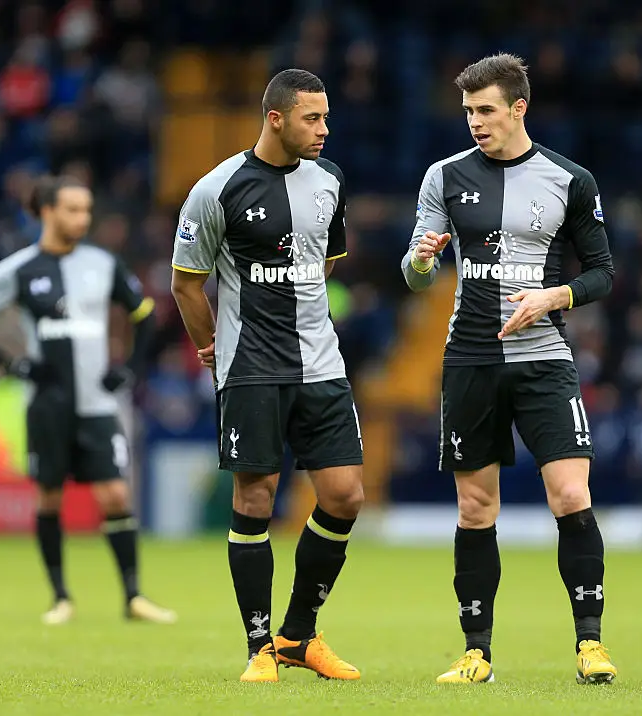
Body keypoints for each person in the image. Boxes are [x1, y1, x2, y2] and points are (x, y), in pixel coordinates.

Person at [401, 53, 617, 685]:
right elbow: (414, 279)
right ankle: (477, 653)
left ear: (519, 108)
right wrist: (421, 260)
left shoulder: (569, 180)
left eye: (486, 110)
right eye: (468, 111)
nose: (474, 121)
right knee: (474, 508)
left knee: (571, 493)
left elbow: (603, 271)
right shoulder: (442, 178)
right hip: (469, 359)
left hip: (545, 358)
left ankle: (590, 644)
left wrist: (556, 296)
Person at [170, 69, 364, 683]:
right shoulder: (215, 188)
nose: (324, 130)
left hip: (321, 363)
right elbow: (186, 282)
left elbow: (323, 263)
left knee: (344, 495)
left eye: (327, 117)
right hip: (250, 368)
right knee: (255, 499)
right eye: (313, 118)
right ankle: (259, 648)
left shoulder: (329, 181)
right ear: (276, 118)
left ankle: (298, 635)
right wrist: (210, 345)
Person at [0, 174, 176, 626]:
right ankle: (60, 597)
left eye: (86, 210)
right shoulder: (18, 270)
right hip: (48, 405)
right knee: (49, 498)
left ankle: (133, 596)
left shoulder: (104, 264)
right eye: (73, 210)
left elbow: (143, 315)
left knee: (116, 495)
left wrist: (131, 367)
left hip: (97, 404)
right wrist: (11, 363)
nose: (82, 219)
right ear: (47, 212)